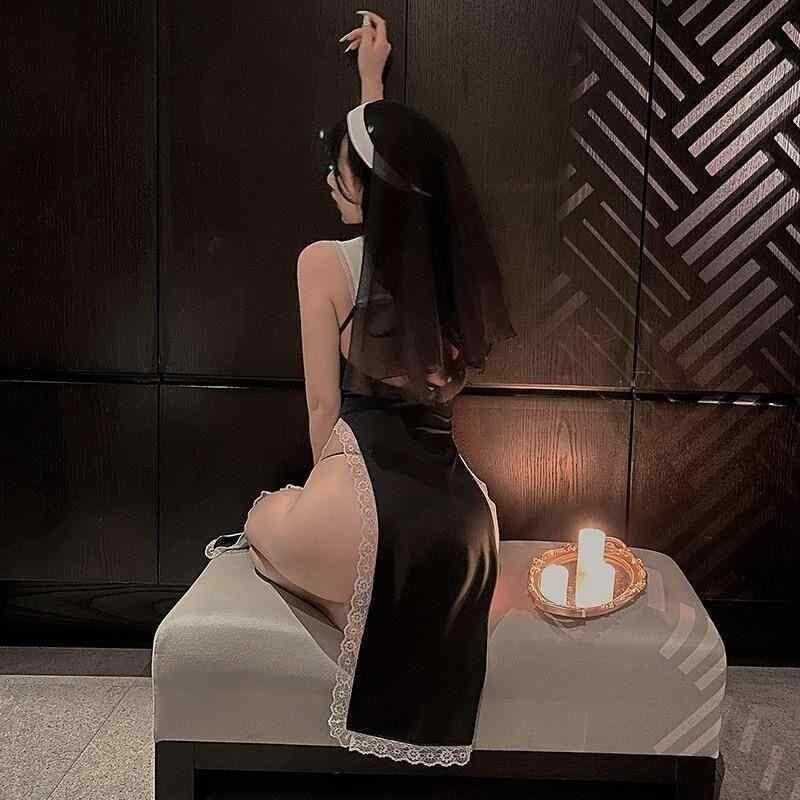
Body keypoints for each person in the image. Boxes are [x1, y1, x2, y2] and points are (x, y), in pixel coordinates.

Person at [204, 10, 517, 767]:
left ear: (369, 186)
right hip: (467, 529)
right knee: (340, 548)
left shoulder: (322, 263)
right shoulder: (445, 277)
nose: (330, 179)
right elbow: (391, 168)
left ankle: (342, 587)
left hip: (358, 496)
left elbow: (323, 407)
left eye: (342, 171)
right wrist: (370, 85)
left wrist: (317, 502)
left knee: (264, 518)